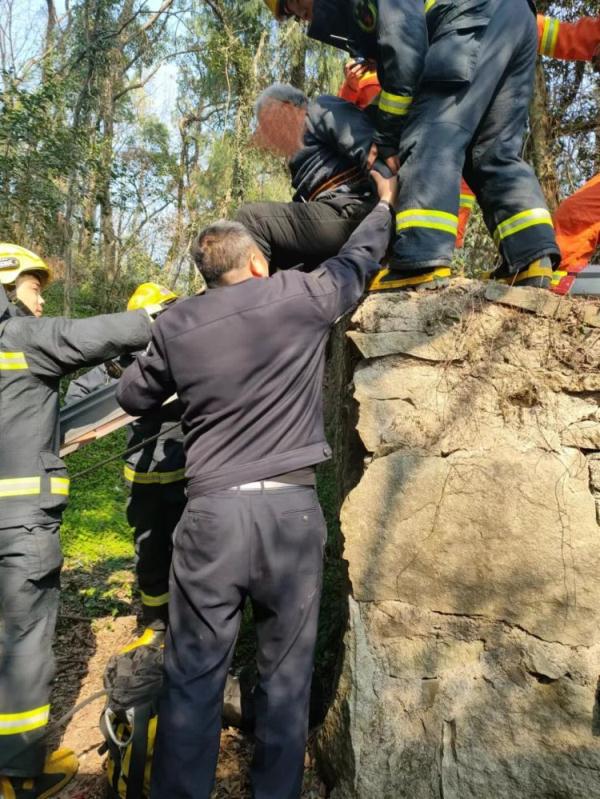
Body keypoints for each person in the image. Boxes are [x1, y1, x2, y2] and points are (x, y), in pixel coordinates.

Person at [116, 170, 397, 799]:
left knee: (194, 675)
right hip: (290, 517)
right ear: (257, 262)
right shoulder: (297, 295)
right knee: (285, 676)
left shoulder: (179, 323)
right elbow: (357, 261)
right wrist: (382, 205)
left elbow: (133, 395)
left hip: (212, 518)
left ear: (207, 273)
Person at [0, 243, 155, 799]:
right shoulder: (19, 337)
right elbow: (90, 335)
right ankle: (17, 775)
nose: (40, 301)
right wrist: (166, 316)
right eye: (34, 288)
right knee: (22, 641)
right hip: (18, 526)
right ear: (7, 284)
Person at [266, 0, 560, 290]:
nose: (298, 14)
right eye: (290, 14)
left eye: (292, 2)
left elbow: (403, 48)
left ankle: (421, 260)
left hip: (469, 17)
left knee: (431, 134)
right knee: (493, 153)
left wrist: (387, 137)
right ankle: (531, 258)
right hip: (515, 17)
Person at [64, 283, 186, 644]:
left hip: (186, 474)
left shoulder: (189, 351)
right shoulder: (119, 365)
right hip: (142, 476)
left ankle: (188, 625)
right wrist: (82, 429)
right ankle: (156, 625)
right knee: (149, 550)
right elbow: (79, 395)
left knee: (188, 550)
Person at [235, 82, 379, 273]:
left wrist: (385, 208)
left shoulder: (319, 108)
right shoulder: (295, 153)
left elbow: (372, 150)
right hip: (327, 216)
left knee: (252, 219)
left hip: (351, 209)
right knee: (271, 249)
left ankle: (245, 291)